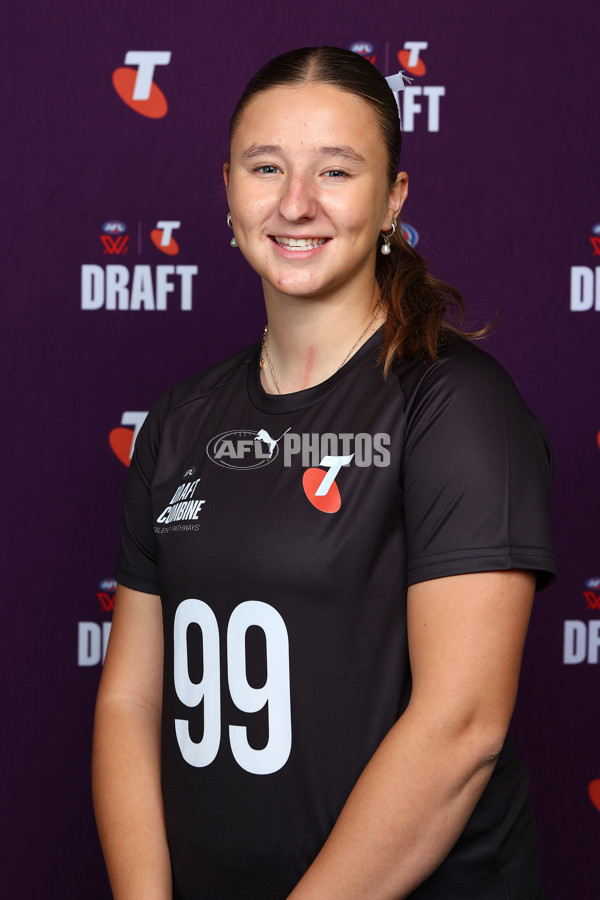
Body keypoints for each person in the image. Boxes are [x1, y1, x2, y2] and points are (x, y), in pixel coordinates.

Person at [92, 46, 556, 900]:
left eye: (336, 171)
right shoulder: (181, 421)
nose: (296, 202)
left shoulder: (454, 407)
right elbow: (131, 700)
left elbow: (461, 730)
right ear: (228, 188)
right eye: (266, 167)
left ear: (393, 200)